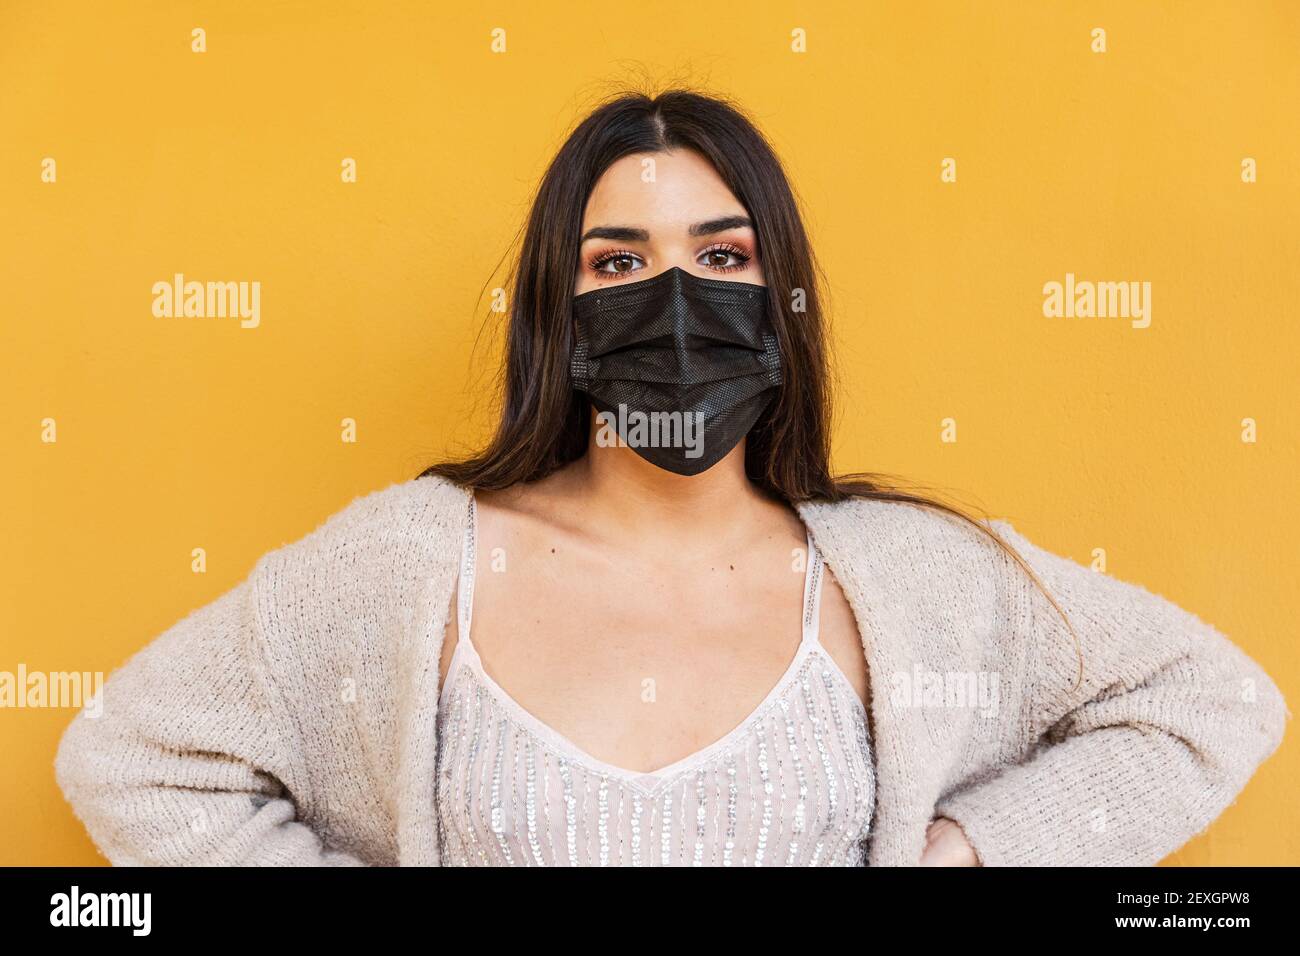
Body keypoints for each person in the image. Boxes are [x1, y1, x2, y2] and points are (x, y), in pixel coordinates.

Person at [54, 89, 1288, 867]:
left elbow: (1215, 698)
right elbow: (132, 755)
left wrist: (973, 845)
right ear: (561, 309)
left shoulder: (909, 576)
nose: (676, 300)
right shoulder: (404, 561)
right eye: (617, 259)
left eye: (722, 252)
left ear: (781, 297)